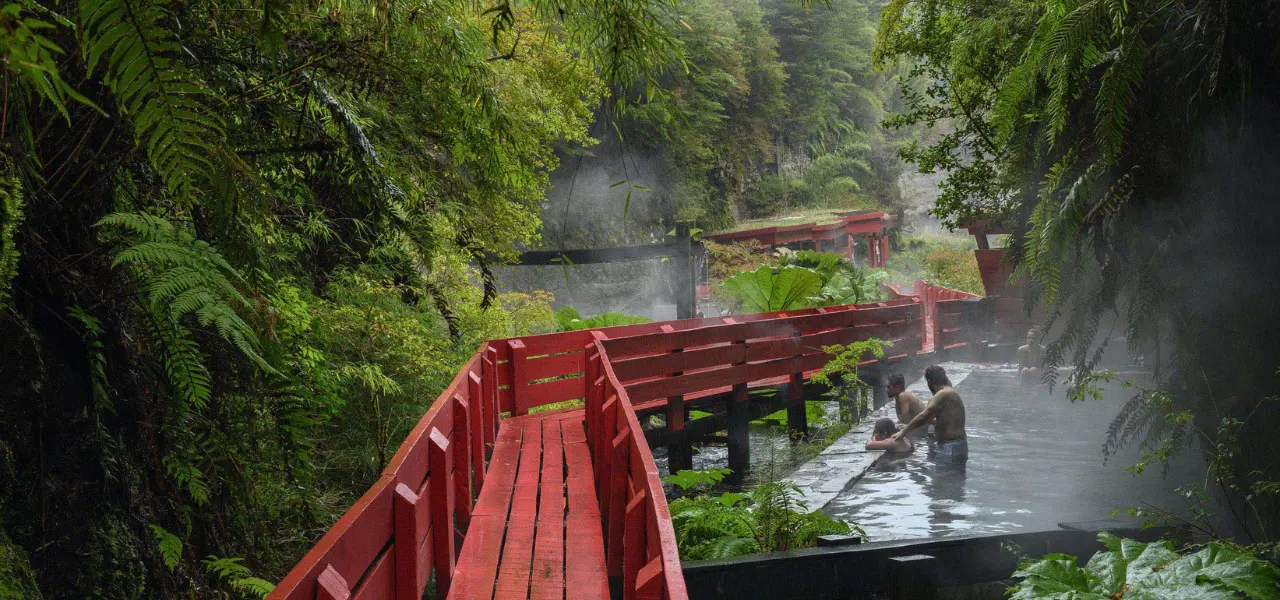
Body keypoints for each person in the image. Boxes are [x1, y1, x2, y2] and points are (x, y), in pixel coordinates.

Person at [893, 365, 967, 466]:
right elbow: (934, 420)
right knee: (943, 477)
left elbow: (924, 416)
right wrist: (908, 426)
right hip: (952, 445)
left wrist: (903, 432)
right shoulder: (949, 392)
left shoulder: (944, 393)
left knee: (945, 478)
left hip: (952, 447)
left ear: (929, 382)